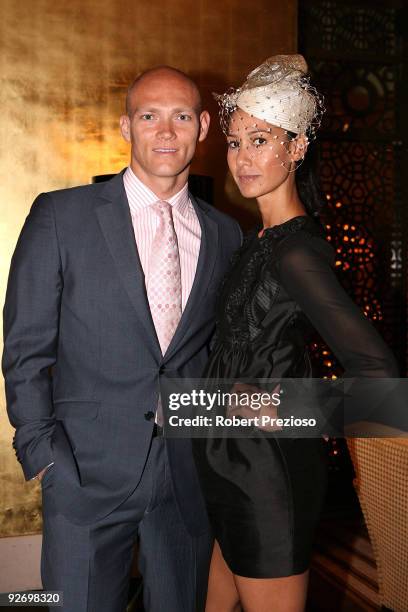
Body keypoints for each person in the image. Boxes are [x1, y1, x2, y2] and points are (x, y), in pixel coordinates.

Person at [2, 66, 242, 611]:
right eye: (148, 116)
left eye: (180, 116)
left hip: (186, 479)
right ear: (125, 126)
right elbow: (25, 346)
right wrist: (43, 453)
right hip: (85, 473)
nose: (164, 131)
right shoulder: (61, 215)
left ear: (202, 127)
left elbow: (211, 354)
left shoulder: (226, 233)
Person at [192, 55, 399, 612]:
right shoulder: (255, 242)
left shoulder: (299, 252)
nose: (243, 158)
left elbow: (382, 382)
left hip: (268, 475)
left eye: (261, 141)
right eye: (235, 143)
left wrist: (289, 408)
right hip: (227, 463)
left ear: (298, 147)